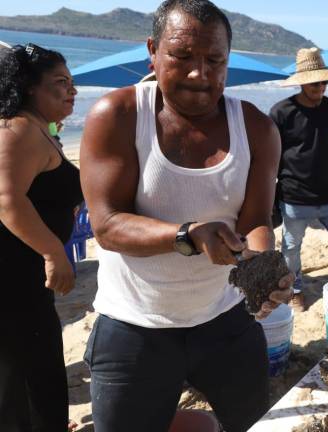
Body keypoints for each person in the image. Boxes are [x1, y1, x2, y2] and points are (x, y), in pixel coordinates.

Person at [79, 1, 292, 431]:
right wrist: (188, 235)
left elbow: (255, 222)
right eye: (182, 57)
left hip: (226, 320)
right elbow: (107, 225)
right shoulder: (117, 115)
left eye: (215, 61)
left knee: (256, 423)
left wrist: (263, 265)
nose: (200, 74)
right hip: (135, 325)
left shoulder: (256, 128)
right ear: (153, 51)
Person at [0, 43, 81, 432]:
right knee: (24, 375)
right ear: (30, 87)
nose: (73, 90)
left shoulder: (37, 127)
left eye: (72, 82)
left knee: (35, 368)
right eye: (60, 83)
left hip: (26, 279)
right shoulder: (17, 128)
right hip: (13, 278)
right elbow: (6, 199)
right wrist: (53, 252)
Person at [270, 47, 328, 313]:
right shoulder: (281, 113)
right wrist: (268, 197)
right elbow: (268, 158)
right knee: (291, 246)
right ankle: (295, 289)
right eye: (315, 82)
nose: (321, 86)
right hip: (294, 196)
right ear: (302, 82)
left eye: (324, 81)